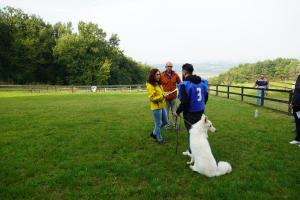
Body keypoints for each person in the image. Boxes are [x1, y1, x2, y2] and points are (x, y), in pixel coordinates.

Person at [173, 63, 208, 153]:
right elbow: (206, 97)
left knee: (192, 132)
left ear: (184, 72)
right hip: (200, 111)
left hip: (190, 113)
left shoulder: (185, 84)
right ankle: (198, 148)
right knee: (199, 131)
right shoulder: (202, 83)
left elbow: (185, 102)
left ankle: (193, 150)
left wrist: (177, 112)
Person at [146, 68, 169, 144]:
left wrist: (165, 93)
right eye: (157, 74)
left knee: (165, 121)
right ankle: (159, 139)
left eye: (159, 74)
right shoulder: (150, 85)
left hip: (162, 105)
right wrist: (163, 96)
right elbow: (152, 98)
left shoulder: (158, 83)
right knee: (158, 124)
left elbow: (161, 93)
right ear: (153, 75)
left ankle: (154, 133)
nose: (159, 76)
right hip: (156, 107)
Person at [160, 61, 181, 130]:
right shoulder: (161, 75)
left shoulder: (175, 74)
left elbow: (180, 83)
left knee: (174, 112)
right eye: (168, 66)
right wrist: (162, 93)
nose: (169, 68)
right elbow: (158, 85)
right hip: (165, 98)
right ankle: (167, 125)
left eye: (171, 66)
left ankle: (175, 125)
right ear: (165, 67)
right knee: (166, 113)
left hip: (174, 97)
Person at [289, 75, 300, 145]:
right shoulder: (298, 79)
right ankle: (297, 139)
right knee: (298, 122)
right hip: (296, 105)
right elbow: (295, 92)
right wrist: (291, 102)